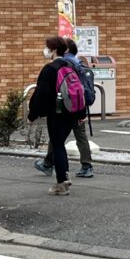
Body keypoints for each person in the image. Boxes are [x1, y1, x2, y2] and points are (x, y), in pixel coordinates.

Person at [27, 36, 81, 195]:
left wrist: (32, 114)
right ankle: (65, 177)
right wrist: (81, 112)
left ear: (54, 50)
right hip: (71, 112)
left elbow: (41, 94)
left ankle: (62, 184)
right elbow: (79, 89)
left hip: (56, 113)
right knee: (59, 145)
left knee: (57, 146)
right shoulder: (71, 66)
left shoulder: (50, 69)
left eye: (47, 47)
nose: (45, 50)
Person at [35, 38, 95, 178]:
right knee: (79, 136)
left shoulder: (63, 64)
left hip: (63, 106)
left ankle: (53, 168)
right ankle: (86, 165)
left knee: (57, 138)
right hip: (80, 105)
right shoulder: (79, 63)